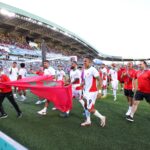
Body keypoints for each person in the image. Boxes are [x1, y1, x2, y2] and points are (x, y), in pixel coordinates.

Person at [80, 56, 106, 127]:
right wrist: (82, 84)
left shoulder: (93, 70)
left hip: (92, 92)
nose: (84, 62)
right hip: (86, 91)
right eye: (83, 61)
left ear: (90, 62)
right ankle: (88, 121)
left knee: (90, 108)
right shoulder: (84, 69)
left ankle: (102, 117)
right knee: (85, 106)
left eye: (86, 61)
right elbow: (86, 80)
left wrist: (100, 92)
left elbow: (100, 80)